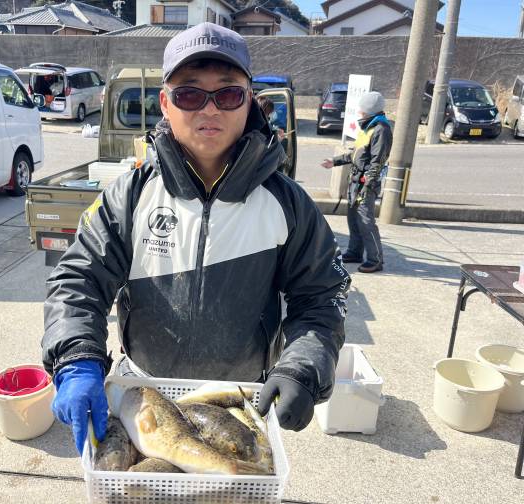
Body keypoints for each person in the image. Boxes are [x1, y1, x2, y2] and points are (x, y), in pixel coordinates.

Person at [42, 22, 351, 455]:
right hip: (144, 395)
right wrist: (76, 360)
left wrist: (303, 366)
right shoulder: (130, 195)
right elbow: (79, 280)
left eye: (228, 94)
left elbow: (322, 295)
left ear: (249, 101)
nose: (210, 110)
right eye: (189, 94)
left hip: (241, 402)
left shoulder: (288, 203)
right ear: (165, 103)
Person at [321, 91, 392, 273]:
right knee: (354, 219)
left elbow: (378, 161)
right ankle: (354, 252)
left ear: (370, 109)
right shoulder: (368, 127)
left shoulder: (381, 129)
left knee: (366, 222)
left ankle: (375, 259)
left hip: (365, 183)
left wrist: (368, 184)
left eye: (362, 108)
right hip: (356, 181)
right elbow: (356, 154)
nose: (359, 111)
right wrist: (335, 161)